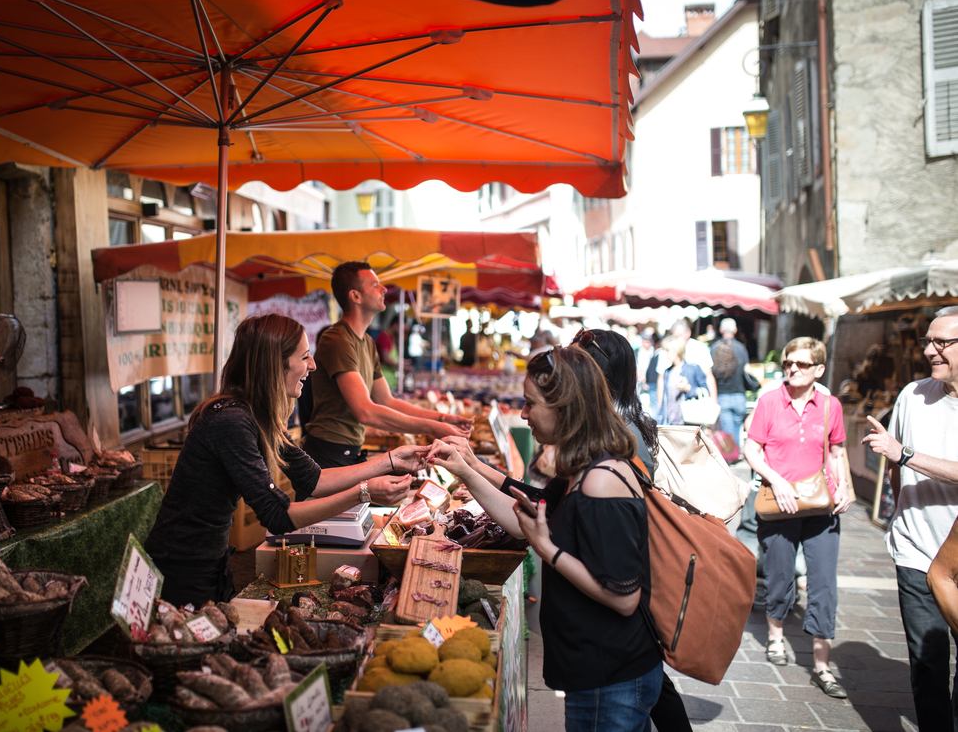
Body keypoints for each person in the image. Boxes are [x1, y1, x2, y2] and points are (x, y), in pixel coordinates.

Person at [429, 346, 661, 730]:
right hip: (592, 672)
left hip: (611, 677)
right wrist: (469, 470)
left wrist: (547, 550)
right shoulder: (580, 469)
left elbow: (624, 597)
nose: (523, 414)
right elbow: (521, 520)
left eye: (530, 403)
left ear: (564, 407)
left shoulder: (603, 481)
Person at [144, 314, 426, 606]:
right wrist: (363, 492)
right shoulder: (231, 421)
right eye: (304, 356)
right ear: (274, 364)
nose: (313, 365)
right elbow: (277, 516)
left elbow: (314, 479)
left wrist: (391, 460)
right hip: (182, 566)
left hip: (211, 560)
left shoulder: (257, 415)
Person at [572, 328, 691, 731]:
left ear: (597, 376)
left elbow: (617, 540)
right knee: (647, 671)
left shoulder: (621, 436)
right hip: (622, 587)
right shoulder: (613, 425)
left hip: (626, 580)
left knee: (641, 668)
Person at [862, 306, 958, 729]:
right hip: (916, 550)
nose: (930, 351)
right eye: (928, 341)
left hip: (957, 555)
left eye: (943, 342)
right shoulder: (912, 396)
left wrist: (905, 454)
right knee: (927, 660)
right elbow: (896, 468)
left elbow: (901, 455)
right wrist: (903, 517)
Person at [744, 336, 853, 699]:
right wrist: (776, 480)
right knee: (779, 576)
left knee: (823, 583)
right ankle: (776, 636)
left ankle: (821, 664)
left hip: (821, 504)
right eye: (788, 363)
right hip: (779, 503)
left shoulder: (830, 405)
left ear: (819, 369)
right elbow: (752, 448)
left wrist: (845, 487)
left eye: (802, 364)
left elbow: (836, 451)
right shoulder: (769, 402)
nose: (792, 369)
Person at [304, 261, 470, 470]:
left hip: (349, 449)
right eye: (375, 285)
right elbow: (365, 411)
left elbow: (386, 400)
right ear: (355, 296)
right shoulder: (337, 340)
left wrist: (442, 418)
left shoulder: (367, 342)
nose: (383, 289)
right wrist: (432, 427)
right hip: (329, 450)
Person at [711, 318, 750, 448]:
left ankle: (731, 454)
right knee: (737, 428)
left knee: (727, 432)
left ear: (721, 330)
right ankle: (735, 452)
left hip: (722, 395)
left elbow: (710, 374)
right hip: (740, 395)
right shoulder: (741, 348)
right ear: (735, 330)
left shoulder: (714, 348)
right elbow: (747, 371)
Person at [657, 336, 710, 426]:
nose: (665, 354)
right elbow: (665, 399)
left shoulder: (693, 369)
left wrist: (688, 389)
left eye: (667, 351)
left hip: (688, 422)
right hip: (669, 423)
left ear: (677, 351)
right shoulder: (667, 372)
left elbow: (706, 392)